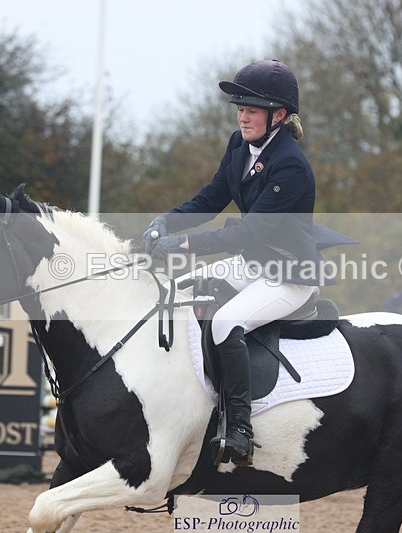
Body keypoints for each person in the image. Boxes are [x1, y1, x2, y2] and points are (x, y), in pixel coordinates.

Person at [142, 59, 327, 466]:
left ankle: (239, 428)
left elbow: (248, 233)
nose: (242, 115)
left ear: (278, 115)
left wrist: (183, 243)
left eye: (251, 109)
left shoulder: (290, 165)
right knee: (172, 292)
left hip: (289, 277)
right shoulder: (238, 145)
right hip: (252, 265)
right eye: (239, 107)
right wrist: (167, 221)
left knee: (227, 323)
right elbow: (211, 198)